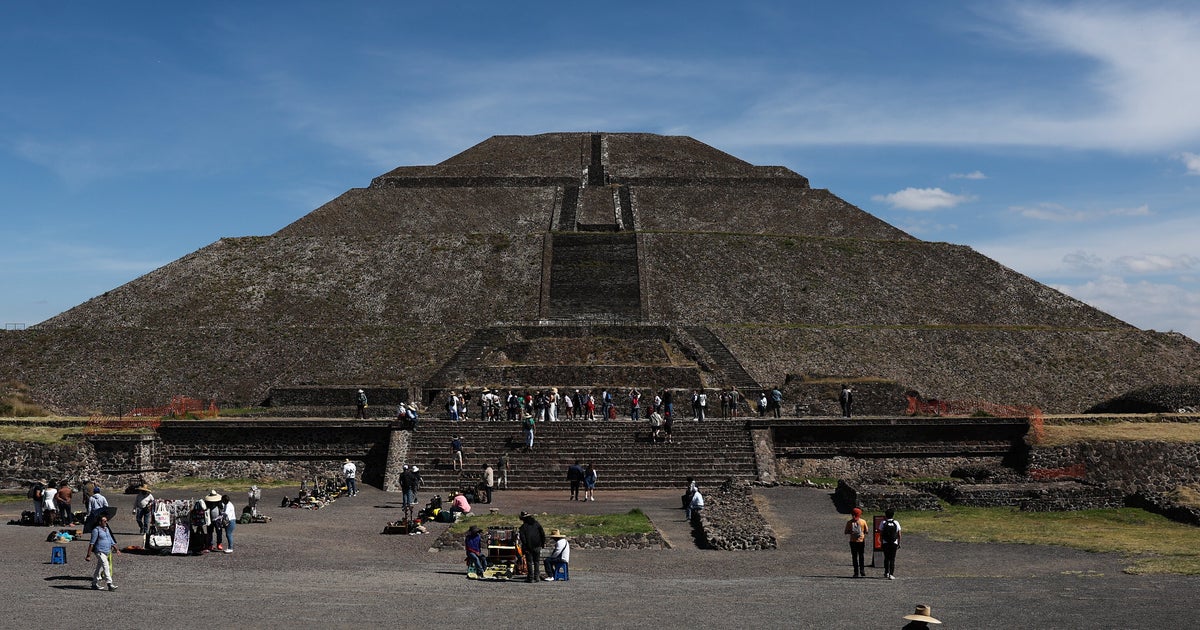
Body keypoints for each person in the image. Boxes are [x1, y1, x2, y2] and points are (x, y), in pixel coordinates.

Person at [85, 514, 120, 591]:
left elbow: (111, 540)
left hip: (107, 551)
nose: (106, 522)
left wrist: (116, 549)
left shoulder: (107, 529)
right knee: (106, 565)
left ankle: (94, 583)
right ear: (99, 522)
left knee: (99, 568)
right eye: (104, 521)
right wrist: (88, 555)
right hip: (99, 551)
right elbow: (92, 543)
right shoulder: (96, 530)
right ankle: (110, 584)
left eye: (106, 521)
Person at [518, 511, 546, 582]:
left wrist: (525, 546)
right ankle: (536, 577)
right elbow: (542, 534)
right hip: (537, 545)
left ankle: (530, 577)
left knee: (529, 562)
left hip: (529, 547)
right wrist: (542, 543)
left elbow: (523, 538)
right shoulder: (537, 524)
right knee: (536, 562)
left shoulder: (523, 527)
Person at [878, 508, 902, 579]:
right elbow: (899, 534)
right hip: (894, 542)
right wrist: (899, 543)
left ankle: (886, 572)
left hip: (885, 542)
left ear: (885, 515)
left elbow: (881, 533)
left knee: (886, 558)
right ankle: (891, 574)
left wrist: (882, 542)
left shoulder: (883, 522)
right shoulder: (896, 522)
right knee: (892, 558)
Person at [845, 507, 868, 578]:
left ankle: (856, 572)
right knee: (861, 556)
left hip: (853, 541)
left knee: (854, 557)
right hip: (861, 541)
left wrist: (851, 532)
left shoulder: (849, 522)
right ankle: (862, 570)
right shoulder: (863, 521)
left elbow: (846, 532)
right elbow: (866, 531)